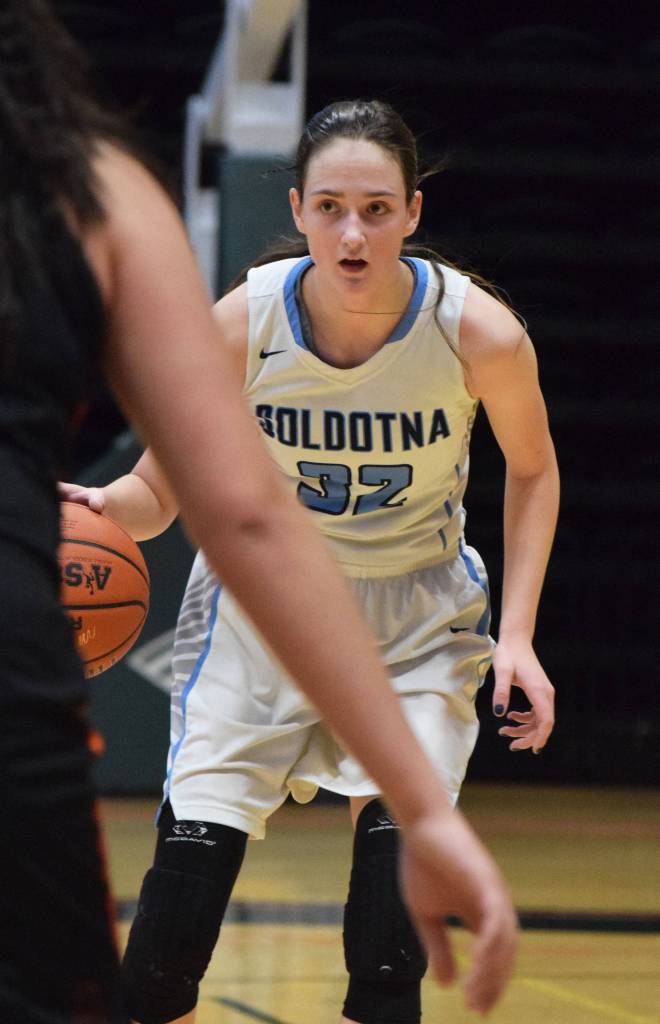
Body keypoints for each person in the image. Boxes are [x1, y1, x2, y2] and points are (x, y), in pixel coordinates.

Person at [1, 5, 520, 1023]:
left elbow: (221, 504)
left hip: (411, 612)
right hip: (247, 623)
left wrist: (520, 643)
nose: (353, 232)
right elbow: (213, 505)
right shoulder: (125, 214)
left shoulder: (476, 330)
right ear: (298, 207)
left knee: (384, 949)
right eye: (330, 206)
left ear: (413, 211)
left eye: (376, 207)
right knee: (149, 959)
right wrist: (114, 505)